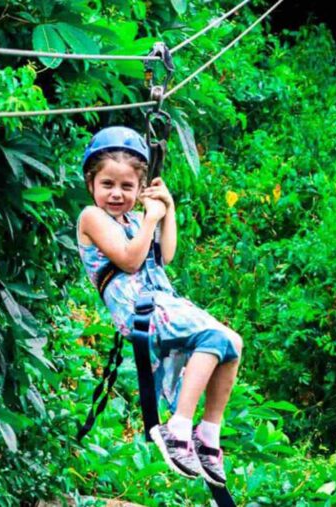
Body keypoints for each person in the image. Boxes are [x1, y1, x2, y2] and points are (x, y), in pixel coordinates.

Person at [76, 126, 243, 486]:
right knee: (211, 338)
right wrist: (150, 217)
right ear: (92, 184)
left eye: (126, 187)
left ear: (139, 190)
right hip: (137, 307)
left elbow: (164, 255)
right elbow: (130, 261)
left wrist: (168, 210)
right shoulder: (92, 217)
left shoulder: (135, 219)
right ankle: (178, 427)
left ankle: (207, 435)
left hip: (161, 297)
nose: (116, 194)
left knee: (232, 343)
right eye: (107, 184)